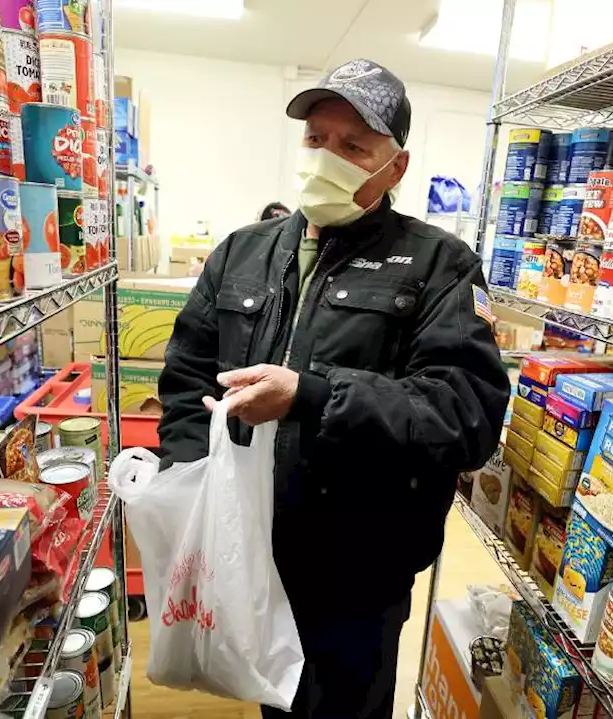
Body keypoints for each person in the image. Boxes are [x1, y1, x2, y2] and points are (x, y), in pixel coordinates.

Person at [157, 58, 510, 719]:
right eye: (317, 139)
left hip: (360, 571)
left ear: (395, 167)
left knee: (348, 707)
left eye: (354, 146)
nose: (327, 158)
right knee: (275, 701)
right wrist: (191, 493)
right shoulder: (241, 252)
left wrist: (313, 395)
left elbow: (466, 414)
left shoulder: (440, 265)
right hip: (253, 553)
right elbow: (185, 379)